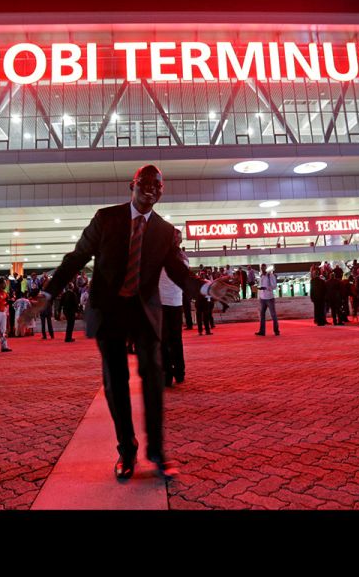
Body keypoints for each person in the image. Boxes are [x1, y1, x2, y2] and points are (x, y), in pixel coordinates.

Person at [25, 164, 236, 481]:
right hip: (108, 310)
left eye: (157, 185)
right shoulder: (106, 218)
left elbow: (179, 273)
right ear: (132, 185)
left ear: (162, 192)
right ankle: (127, 449)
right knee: (115, 381)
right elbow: (76, 258)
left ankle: (157, 451)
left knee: (154, 376)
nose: (151, 188)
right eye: (144, 182)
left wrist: (206, 288)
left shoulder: (165, 232)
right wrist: (48, 293)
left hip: (144, 311)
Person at [159, 229, 188, 385]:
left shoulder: (162, 256)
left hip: (162, 303)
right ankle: (180, 372)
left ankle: (167, 374)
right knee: (177, 339)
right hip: (177, 302)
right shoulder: (184, 258)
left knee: (163, 341)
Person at [255, 264, 279, 336]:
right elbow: (261, 286)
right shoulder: (261, 276)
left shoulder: (270, 275)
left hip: (269, 298)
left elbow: (274, 286)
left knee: (273, 315)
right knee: (262, 315)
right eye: (261, 268)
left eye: (263, 267)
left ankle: (276, 330)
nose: (262, 269)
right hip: (262, 298)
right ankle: (262, 331)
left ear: (266, 268)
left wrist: (266, 288)